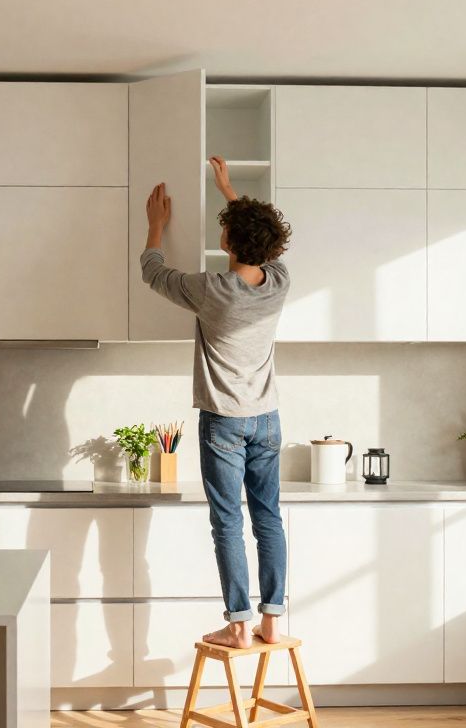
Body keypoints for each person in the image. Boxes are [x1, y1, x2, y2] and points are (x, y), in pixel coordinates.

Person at [140, 157, 292, 649]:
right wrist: (229, 192)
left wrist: (156, 226)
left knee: (228, 522)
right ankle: (271, 619)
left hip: (224, 424)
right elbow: (260, 241)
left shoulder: (212, 290)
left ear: (226, 241)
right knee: (267, 517)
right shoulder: (279, 283)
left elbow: (153, 272)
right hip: (267, 419)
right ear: (271, 246)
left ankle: (238, 625)